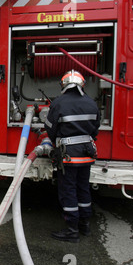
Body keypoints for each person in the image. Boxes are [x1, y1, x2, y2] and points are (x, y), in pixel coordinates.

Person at [45, 70, 100, 243]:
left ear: (63, 84)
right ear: (82, 84)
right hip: (87, 154)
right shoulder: (92, 103)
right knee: (83, 188)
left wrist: (55, 141)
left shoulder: (58, 103)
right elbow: (95, 129)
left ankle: (72, 230)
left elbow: (50, 128)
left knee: (68, 190)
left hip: (68, 155)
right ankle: (85, 225)